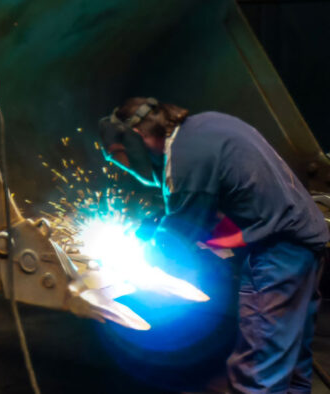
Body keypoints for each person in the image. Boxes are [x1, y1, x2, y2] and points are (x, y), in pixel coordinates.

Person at [100, 97, 328, 394]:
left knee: (259, 371)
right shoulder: (204, 125)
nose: (126, 167)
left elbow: (174, 239)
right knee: (293, 362)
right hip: (305, 239)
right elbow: (210, 210)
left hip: (278, 254)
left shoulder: (185, 159)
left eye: (121, 157)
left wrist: (139, 253)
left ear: (138, 138)